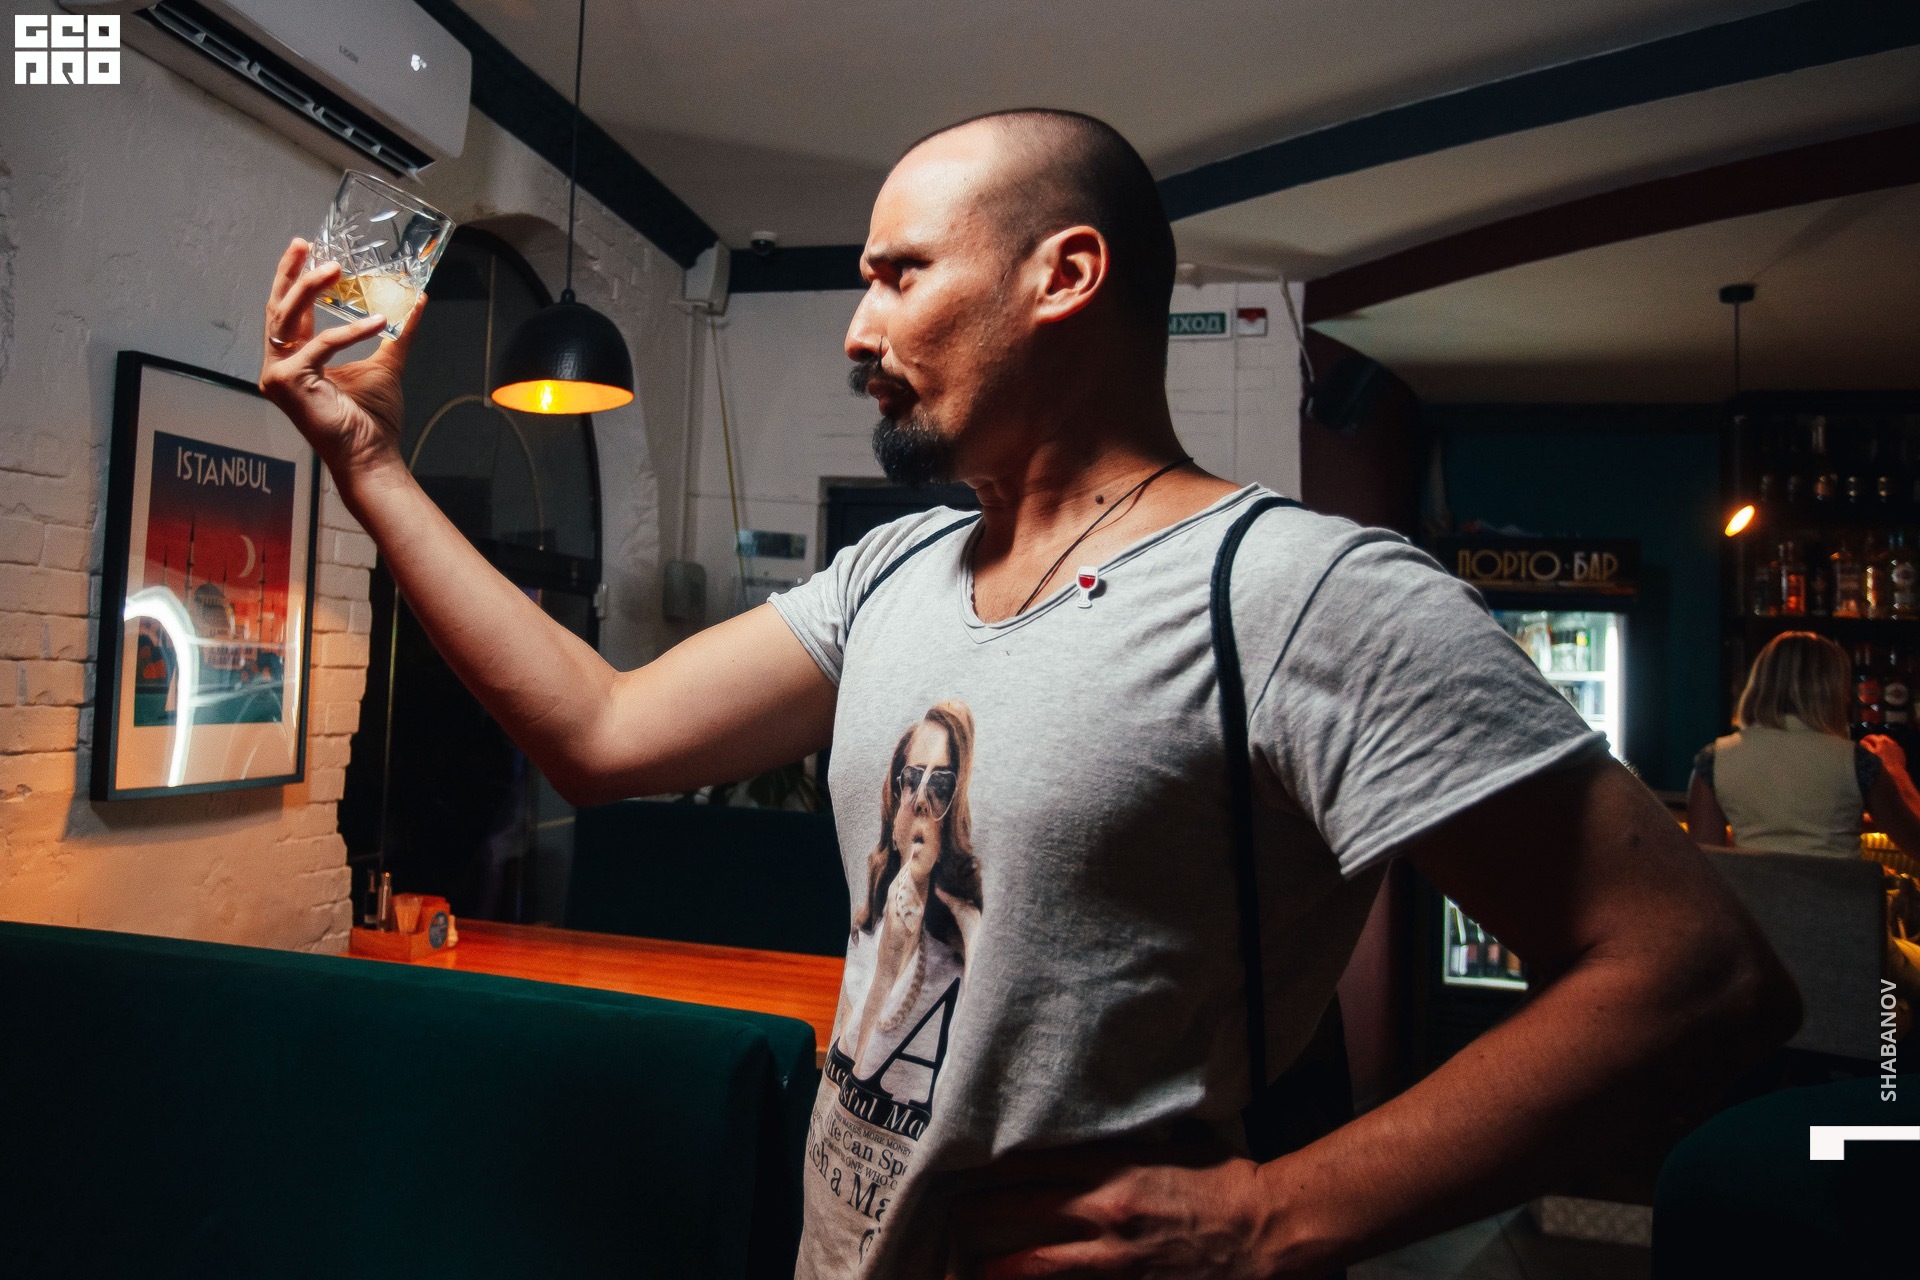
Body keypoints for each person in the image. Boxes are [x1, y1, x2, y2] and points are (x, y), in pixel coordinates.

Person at [259, 108, 1797, 1278]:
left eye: (899, 275)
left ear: (1063, 275)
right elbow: (597, 733)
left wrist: (1276, 1216)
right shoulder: (891, 576)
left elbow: (1699, 977)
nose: (857, 329)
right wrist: (370, 461)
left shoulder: (1297, 591)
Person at [1689, 630, 1920, 1006]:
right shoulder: (1858, 763)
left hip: (1761, 954)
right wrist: (1897, 772)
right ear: (1833, 688)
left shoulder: (1712, 761)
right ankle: (1891, 1043)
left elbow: (1706, 869)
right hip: (1853, 952)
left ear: (1760, 682)